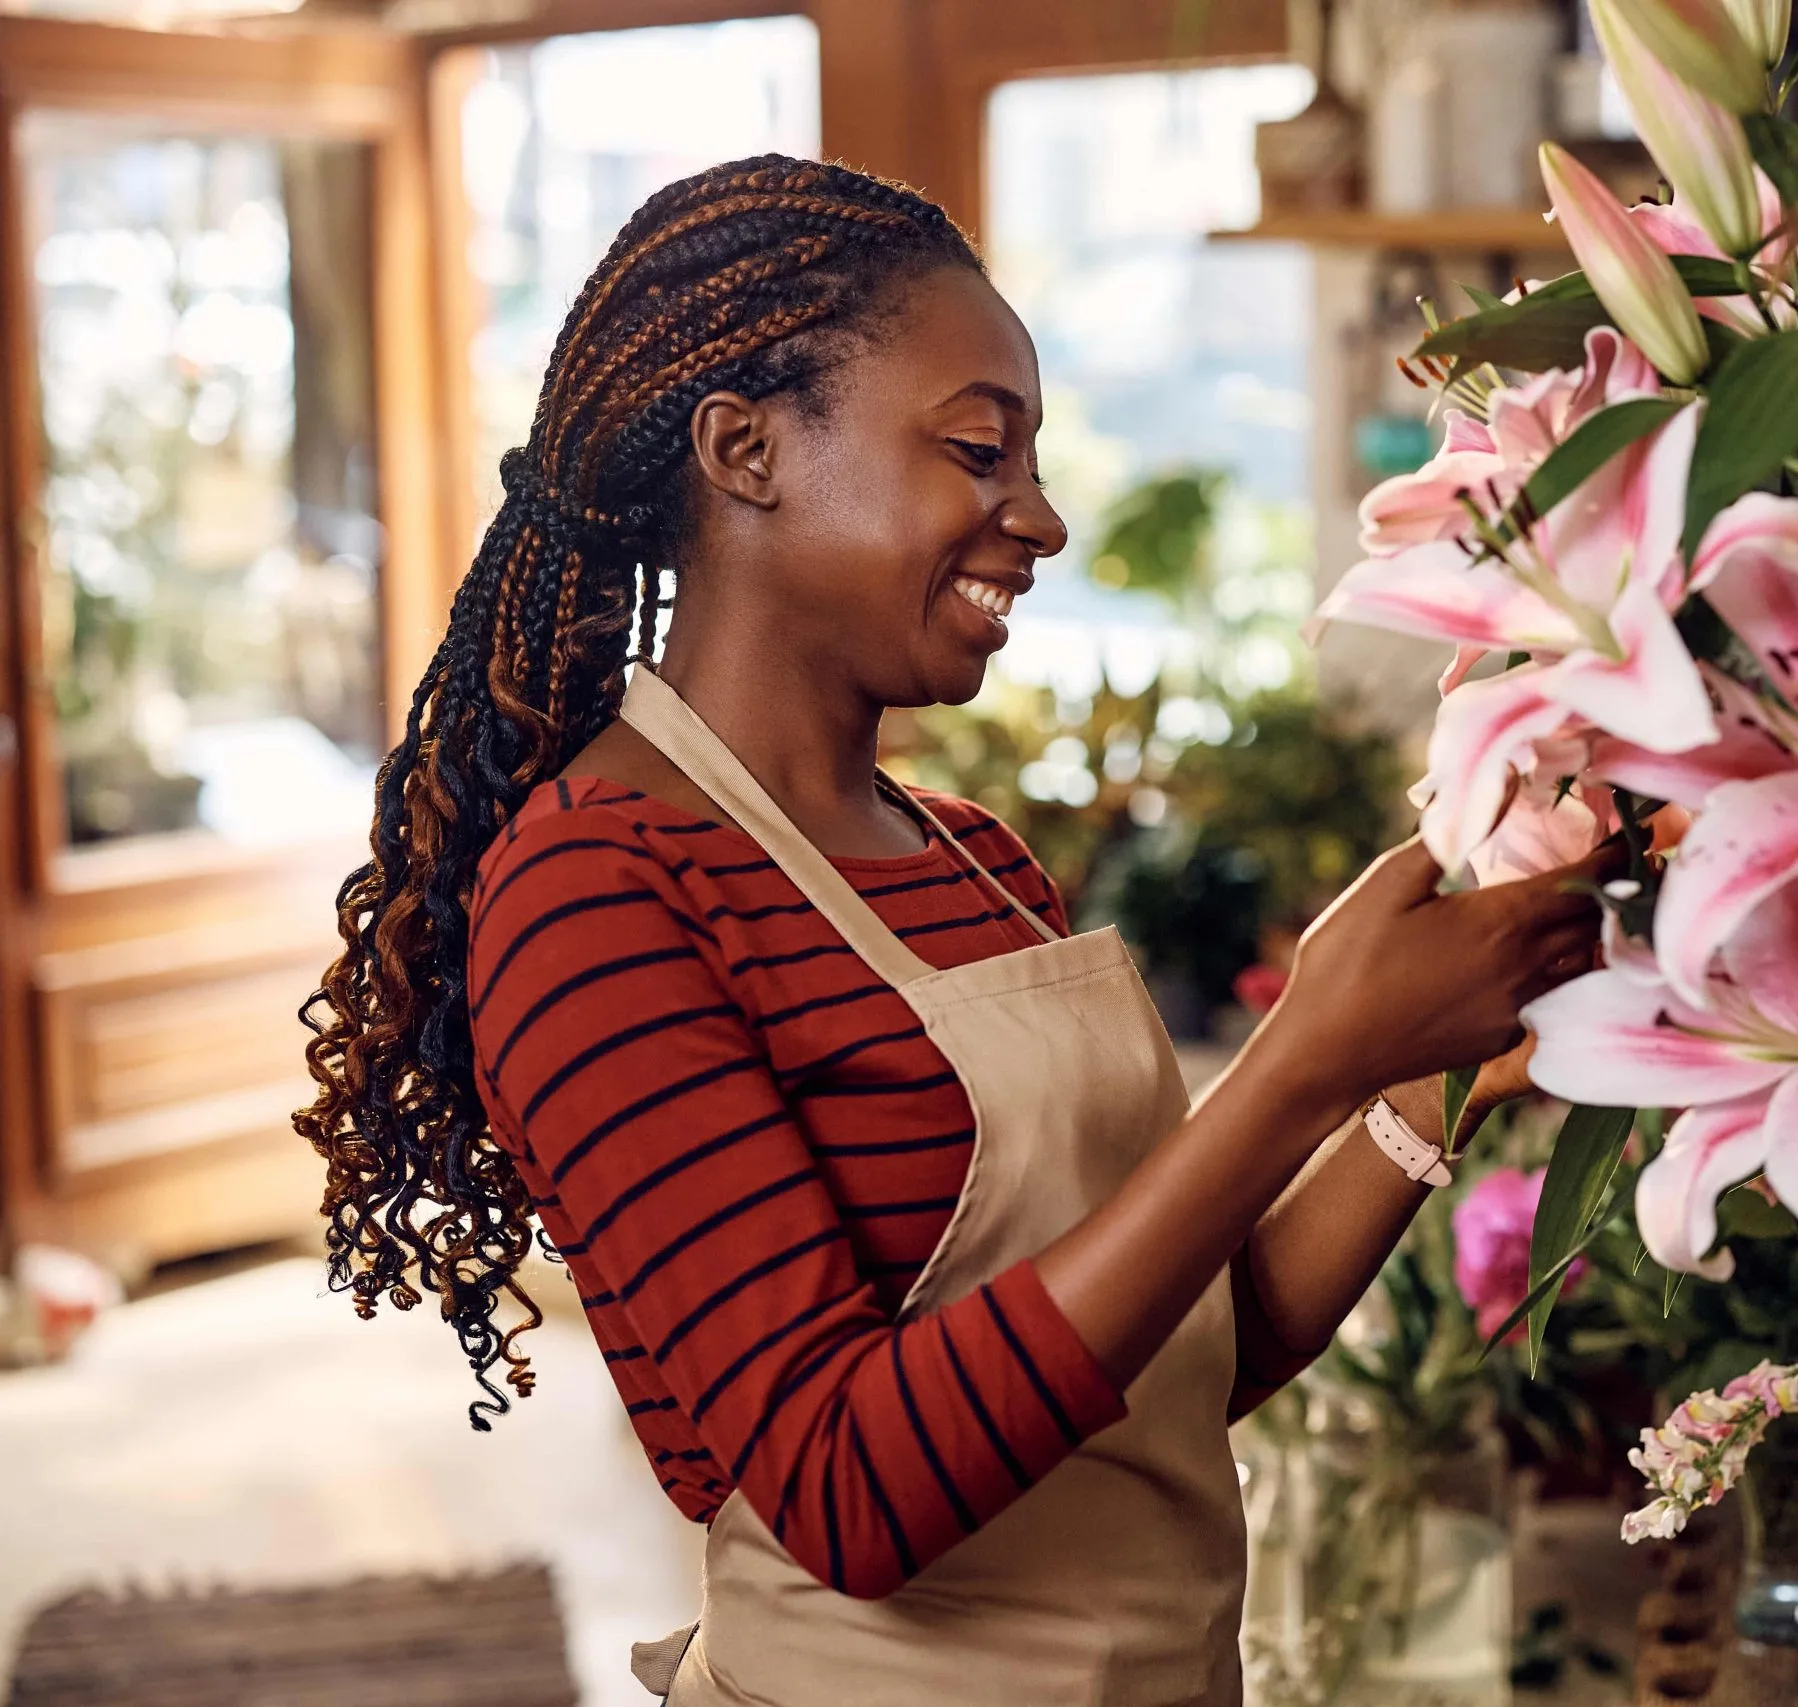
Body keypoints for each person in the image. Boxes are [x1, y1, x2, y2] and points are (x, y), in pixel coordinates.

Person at [295, 157, 1605, 1704]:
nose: (1038, 517)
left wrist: (1422, 1077)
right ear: (745, 450)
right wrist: (1302, 1060)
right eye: (977, 450)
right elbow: (851, 1492)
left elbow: (1180, 1356)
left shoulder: (971, 859)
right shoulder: (598, 890)